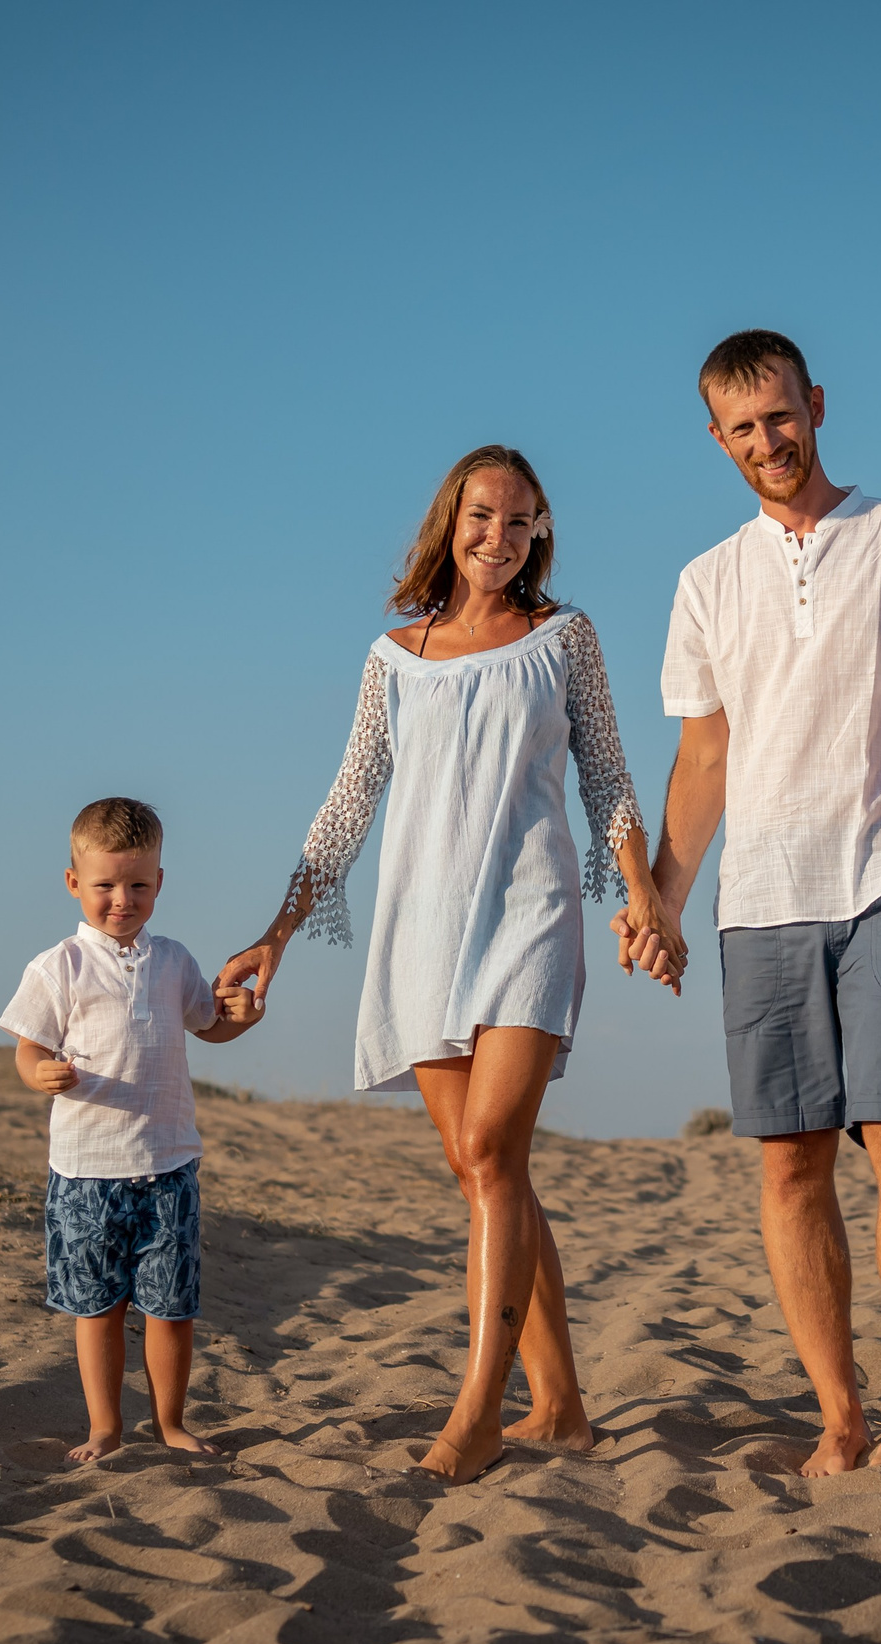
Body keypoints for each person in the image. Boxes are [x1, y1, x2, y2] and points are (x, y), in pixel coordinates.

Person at [220, 446, 676, 1484]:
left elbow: (607, 777)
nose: (499, 539)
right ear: (449, 522)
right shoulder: (392, 657)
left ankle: (478, 1409)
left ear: (540, 534)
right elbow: (346, 805)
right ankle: (559, 1406)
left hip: (529, 914)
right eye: (482, 517)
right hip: (417, 928)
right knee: (485, 1173)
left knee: (488, 1146)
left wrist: (643, 896)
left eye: (521, 523)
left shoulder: (565, 639)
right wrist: (277, 930)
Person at [618, 330, 881, 1476]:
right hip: (764, 897)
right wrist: (669, 897)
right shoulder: (706, 581)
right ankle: (839, 1414)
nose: (766, 442)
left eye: (780, 417)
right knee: (790, 1165)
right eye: (741, 429)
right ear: (715, 438)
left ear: (816, 405)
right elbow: (705, 758)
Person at [0, 797, 262, 1465]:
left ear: (160, 883)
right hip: (86, 1171)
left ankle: (169, 1421)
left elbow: (210, 1022)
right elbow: (28, 1049)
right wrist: (42, 1074)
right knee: (99, 1308)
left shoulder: (173, 961)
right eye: (106, 885)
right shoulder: (57, 966)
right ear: (73, 884)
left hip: (168, 1165)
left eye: (138, 884)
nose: (122, 899)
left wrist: (244, 1016)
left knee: (171, 1307)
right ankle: (105, 1427)